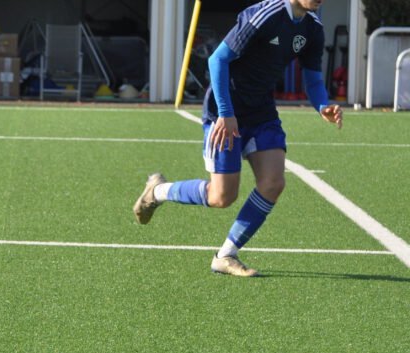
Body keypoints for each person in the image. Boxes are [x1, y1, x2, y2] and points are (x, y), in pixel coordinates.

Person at [132, 0, 342, 277]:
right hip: (225, 111)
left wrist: (323, 106)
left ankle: (226, 255)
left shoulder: (313, 28)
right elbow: (217, 59)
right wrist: (226, 113)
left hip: (262, 113)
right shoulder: (265, 14)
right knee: (221, 197)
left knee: (273, 183)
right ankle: (158, 191)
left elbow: (313, 79)